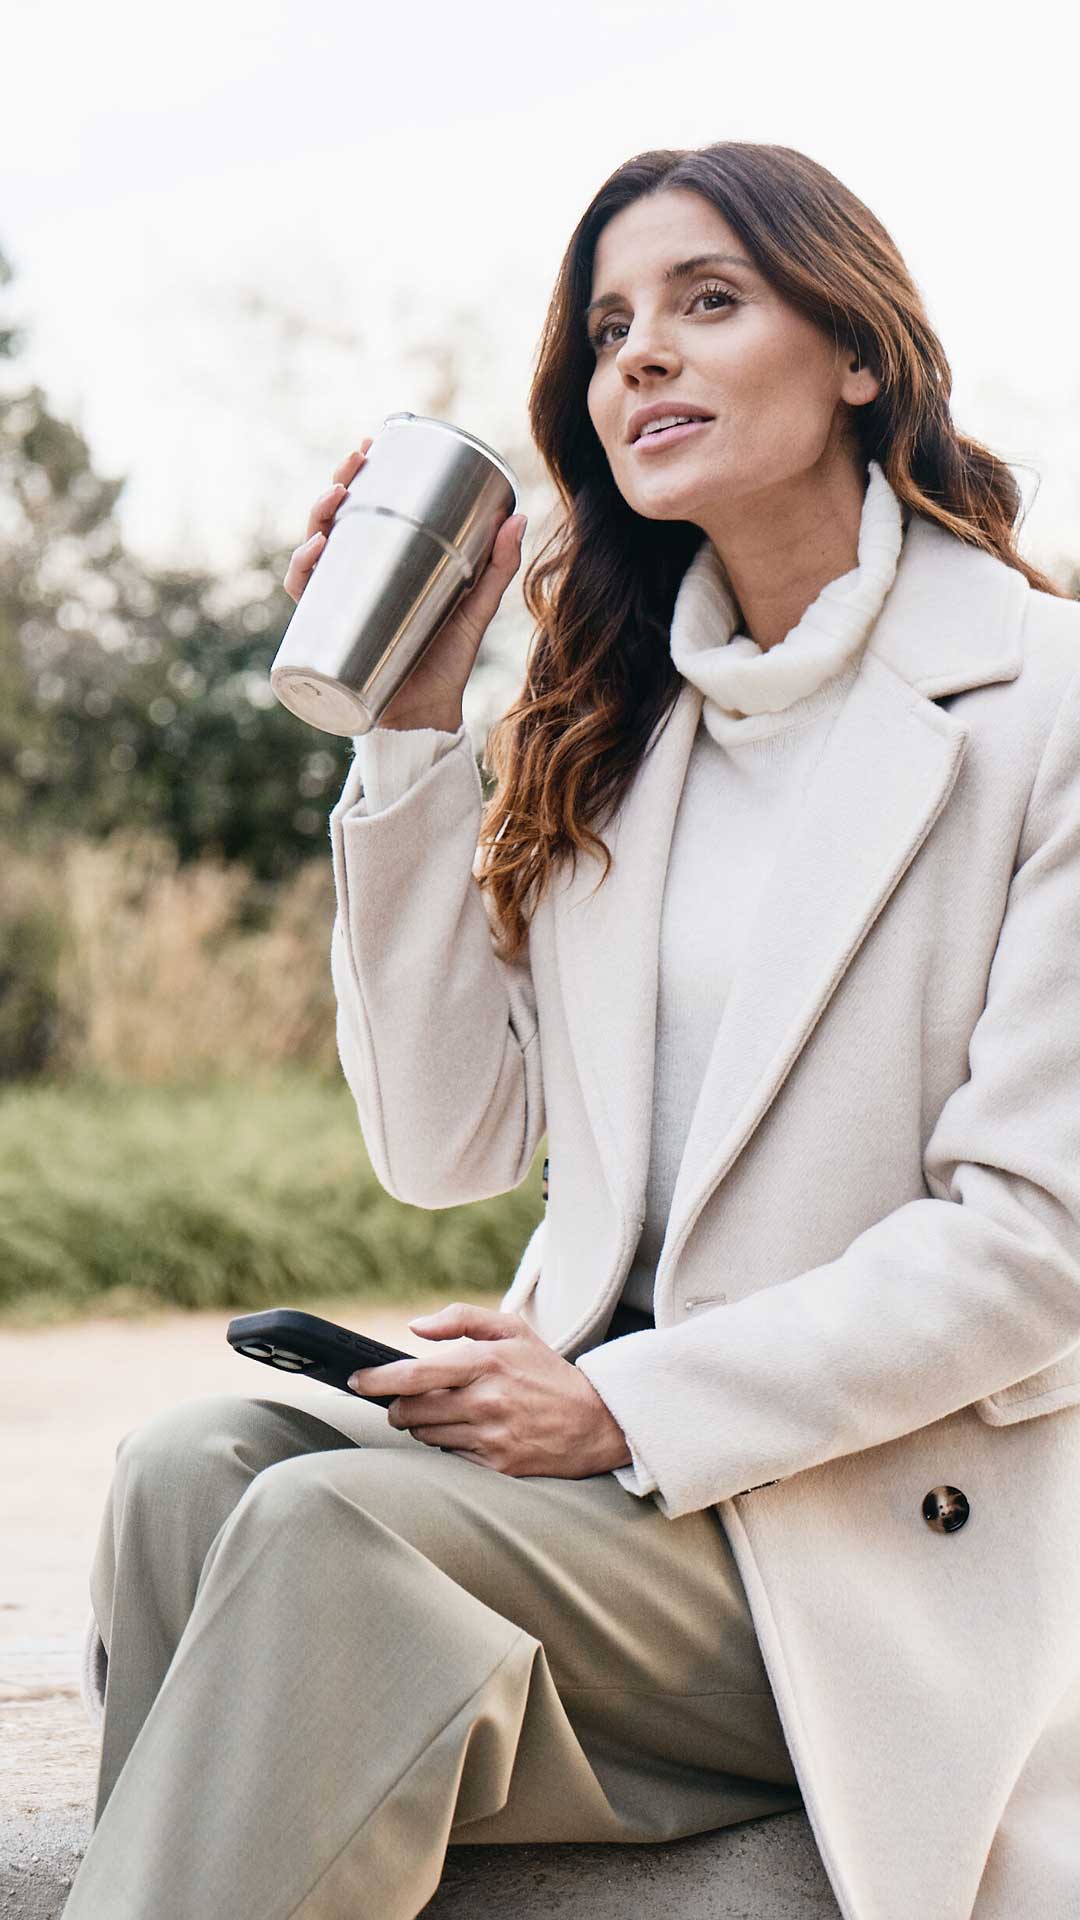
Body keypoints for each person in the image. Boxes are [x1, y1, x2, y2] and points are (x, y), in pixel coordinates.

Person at [67, 141, 1080, 1920]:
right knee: (185, 1474)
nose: (643, 358)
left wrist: (615, 1402)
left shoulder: (1041, 705)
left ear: (859, 353)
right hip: (601, 1507)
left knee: (320, 1530)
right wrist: (413, 730)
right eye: (612, 328)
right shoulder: (622, 719)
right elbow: (446, 1142)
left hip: (854, 1537)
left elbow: (1037, 1248)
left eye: (709, 302)